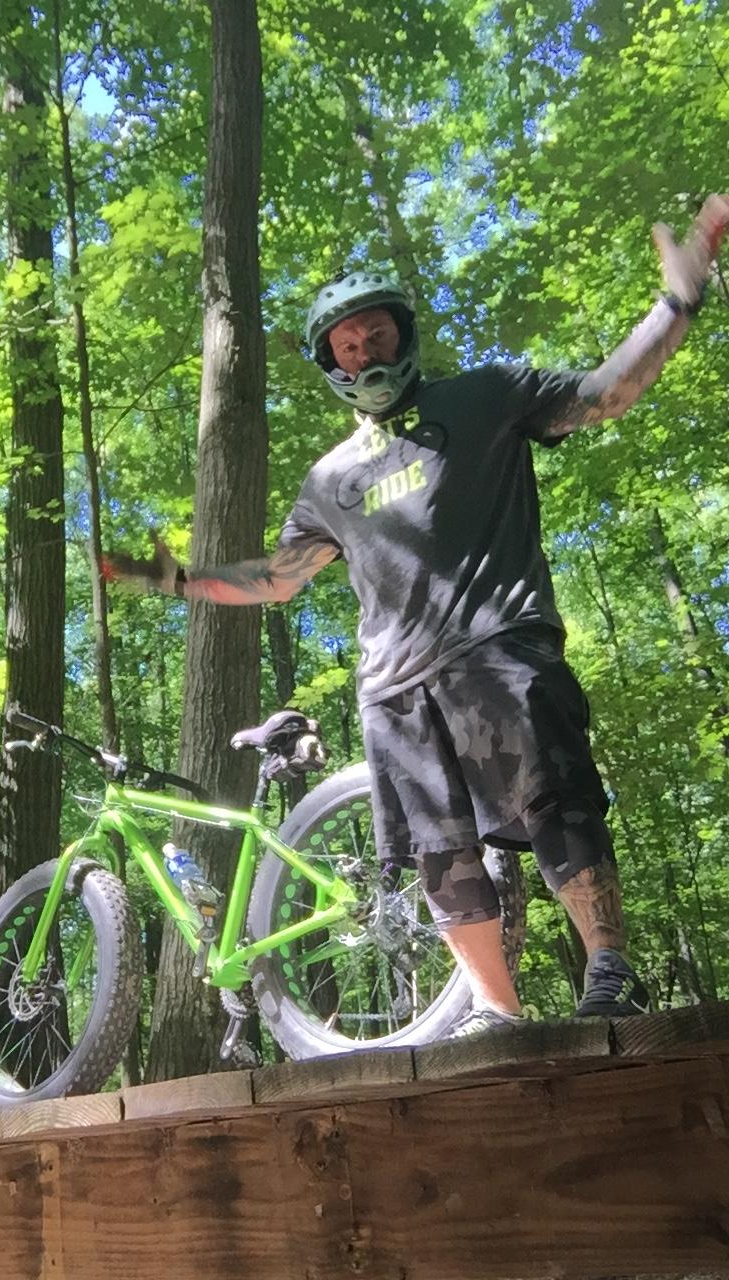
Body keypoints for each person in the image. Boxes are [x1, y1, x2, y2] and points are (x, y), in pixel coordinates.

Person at [105, 194, 729, 1036]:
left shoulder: (485, 396)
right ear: (331, 361)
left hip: (500, 646)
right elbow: (276, 579)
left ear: (404, 333)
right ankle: (495, 1011)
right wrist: (175, 578)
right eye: (347, 343)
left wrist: (679, 299)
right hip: (395, 688)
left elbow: (606, 394)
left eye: (377, 333)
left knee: (558, 805)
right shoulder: (329, 479)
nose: (365, 351)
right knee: (439, 853)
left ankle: (609, 969)